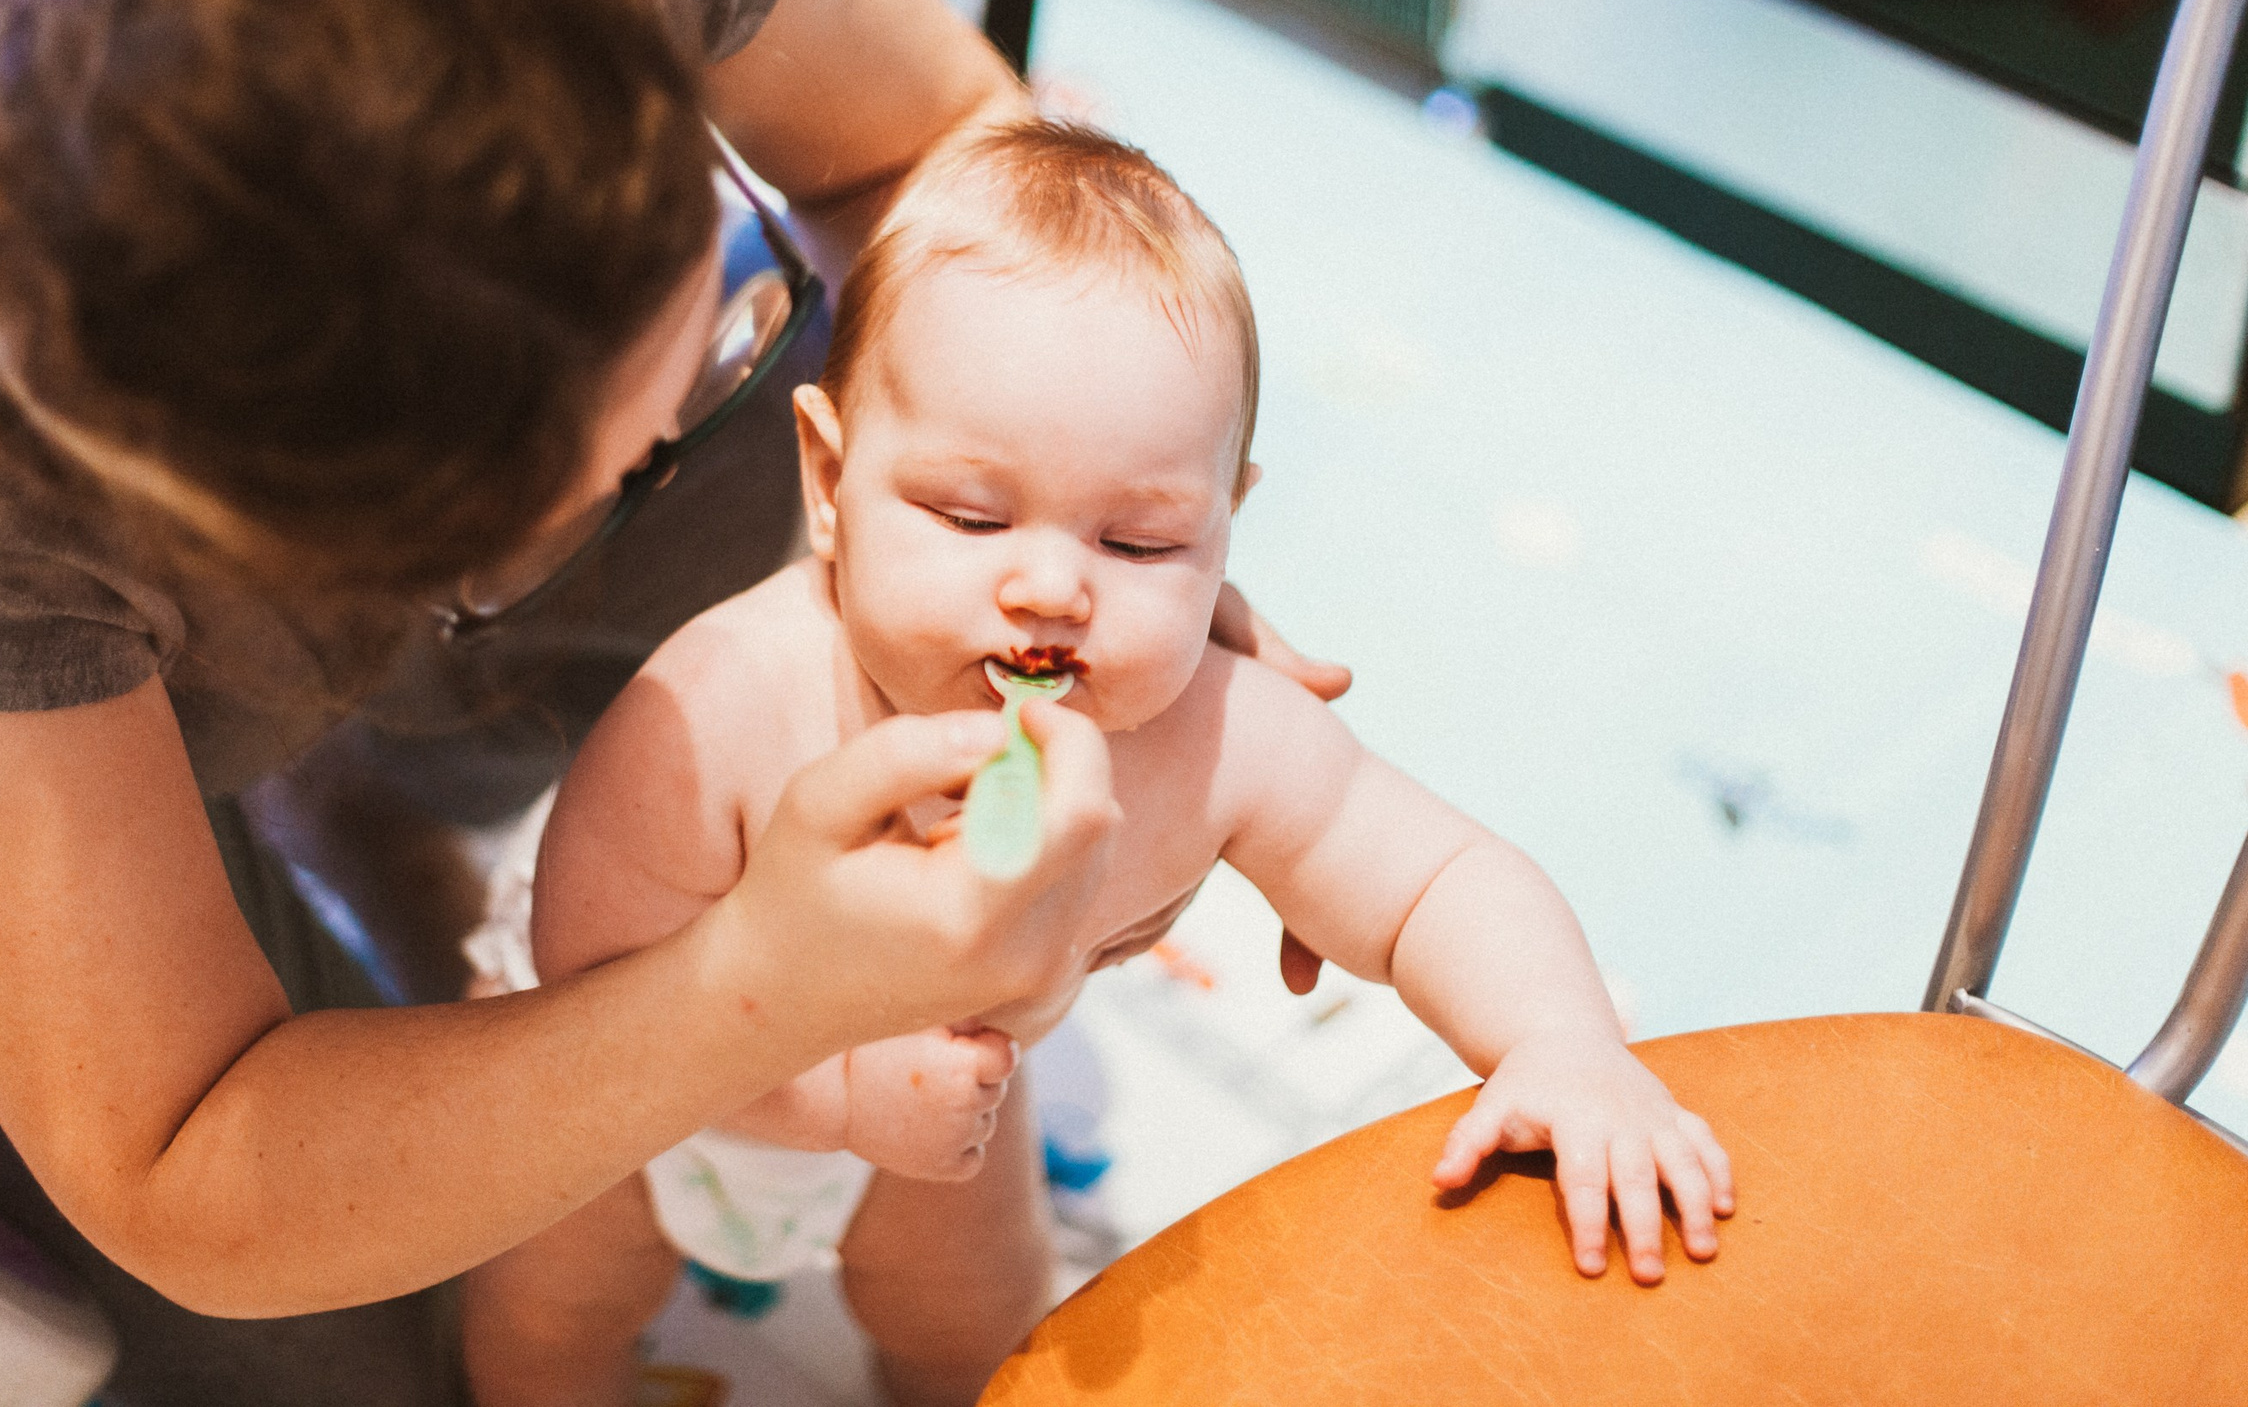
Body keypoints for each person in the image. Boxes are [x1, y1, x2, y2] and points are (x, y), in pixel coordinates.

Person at [0, 0, 1348, 1402]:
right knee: (326, 1355)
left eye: (706, 346)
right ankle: (317, 824)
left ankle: (381, 809)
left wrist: (1089, 523)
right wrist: (750, 988)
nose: (662, 495)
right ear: (279, 578)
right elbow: (188, 1162)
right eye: (596, 491)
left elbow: (919, 162)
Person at [459, 123, 1737, 1407]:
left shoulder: (1210, 740)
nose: (1053, 587)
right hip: (639, 1086)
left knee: (982, 1323)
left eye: (1138, 543)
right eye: (970, 518)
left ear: (1225, 525)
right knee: (545, 1319)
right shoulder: (722, 702)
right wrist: (837, 1100)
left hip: (937, 1104)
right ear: (832, 478)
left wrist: (1560, 1044)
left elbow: (1436, 879)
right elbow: (597, 991)